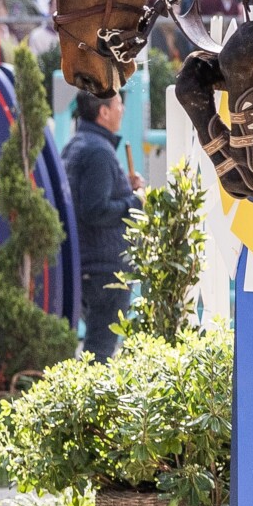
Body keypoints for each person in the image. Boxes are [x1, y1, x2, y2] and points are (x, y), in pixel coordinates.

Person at [62, 91, 145, 360]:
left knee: (96, 349)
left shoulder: (78, 144)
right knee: (100, 354)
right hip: (105, 271)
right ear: (104, 112)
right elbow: (95, 210)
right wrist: (134, 202)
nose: (122, 109)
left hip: (87, 266)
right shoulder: (98, 151)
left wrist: (125, 191)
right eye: (119, 104)